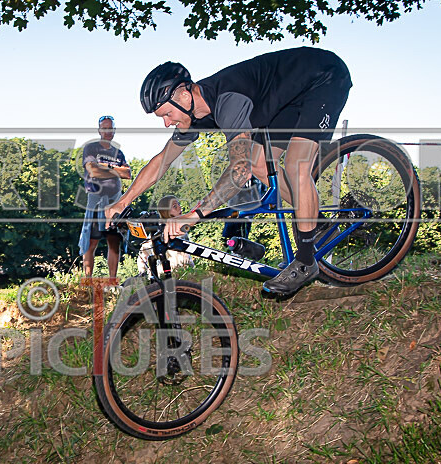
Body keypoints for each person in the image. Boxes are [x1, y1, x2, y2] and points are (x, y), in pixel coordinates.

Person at [106, 47, 351, 295]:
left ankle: (307, 261)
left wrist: (194, 215)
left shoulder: (227, 100)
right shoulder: (195, 115)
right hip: (287, 100)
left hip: (322, 76)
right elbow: (162, 161)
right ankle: (318, 225)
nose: (167, 123)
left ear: (183, 94)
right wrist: (124, 200)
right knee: (259, 164)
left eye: (167, 114)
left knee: (295, 165)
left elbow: (239, 171)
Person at [79, 115, 131, 278]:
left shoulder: (118, 152)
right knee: (91, 242)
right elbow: (92, 170)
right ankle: (87, 281)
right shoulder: (91, 148)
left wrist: (104, 167)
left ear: (114, 130)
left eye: (111, 128)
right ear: (99, 130)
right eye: (105, 128)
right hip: (96, 201)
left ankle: (112, 281)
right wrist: (115, 169)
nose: (108, 131)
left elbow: (128, 174)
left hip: (115, 201)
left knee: (114, 242)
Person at [137, 195, 195, 275]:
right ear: (165, 211)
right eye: (175, 206)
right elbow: (144, 252)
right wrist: (144, 272)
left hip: (184, 273)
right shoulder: (161, 231)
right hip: (167, 273)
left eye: (179, 204)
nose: (179, 208)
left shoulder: (181, 228)